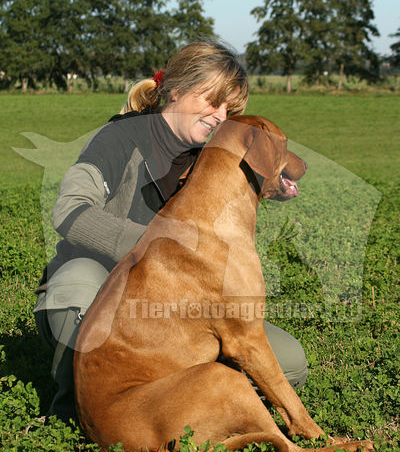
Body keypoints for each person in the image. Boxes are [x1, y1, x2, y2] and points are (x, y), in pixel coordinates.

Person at [34, 39, 308, 423]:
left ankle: (174, 402)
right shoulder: (118, 138)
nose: (220, 116)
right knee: (75, 285)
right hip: (101, 281)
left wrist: (273, 180)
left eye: (229, 108)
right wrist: (151, 246)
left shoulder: (210, 158)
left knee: (292, 364)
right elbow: (70, 210)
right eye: (212, 101)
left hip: (172, 308)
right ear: (175, 89)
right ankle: (72, 412)